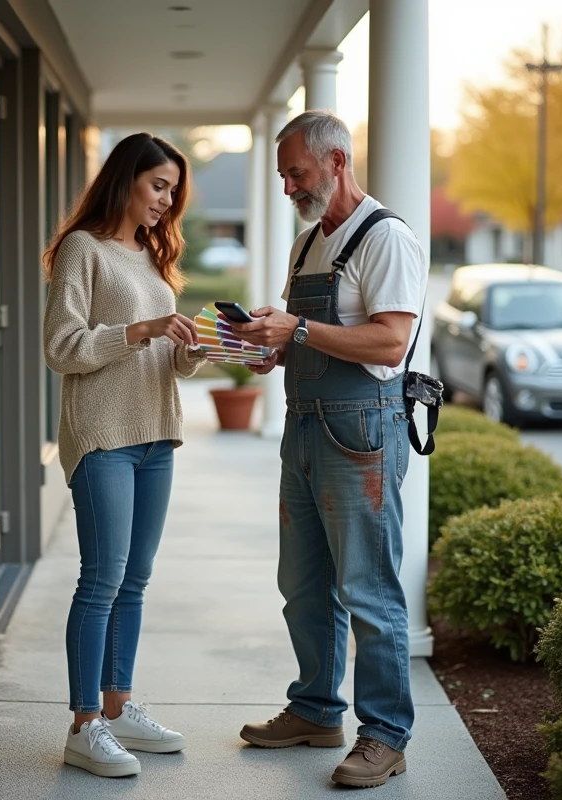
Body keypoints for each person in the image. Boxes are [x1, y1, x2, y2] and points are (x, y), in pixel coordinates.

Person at [230, 111, 427, 789]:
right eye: (284, 174)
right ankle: (316, 709)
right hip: (305, 426)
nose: (288, 186)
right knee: (303, 584)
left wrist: (301, 332)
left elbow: (390, 343)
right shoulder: (307, 242)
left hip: (361, 432)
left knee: (368, 588)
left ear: (337, 161)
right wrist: (271, 345)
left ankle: (386, 735)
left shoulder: (386, 237)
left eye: (298, 172)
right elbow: (303, 335)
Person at [42, 132, 209, 778]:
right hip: (103, 438)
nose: (167, 201)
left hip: (154, 437)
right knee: (102, 579)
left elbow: (164, 358)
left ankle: (118, 708)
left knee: (134, 582)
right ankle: (84, 723)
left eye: (173, 191)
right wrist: (138, 330)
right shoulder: (83, 250)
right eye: (158, 185)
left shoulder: (149, 255)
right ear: (125, 181)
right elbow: (62, 347)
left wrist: (194, 347)